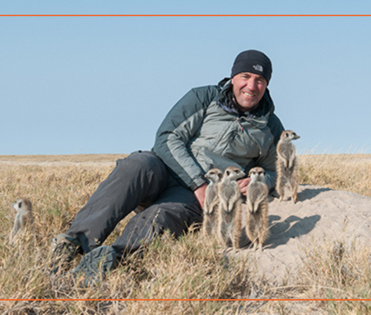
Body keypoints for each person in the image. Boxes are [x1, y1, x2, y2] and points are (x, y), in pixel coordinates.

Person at [49, 49, 285, 287]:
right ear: (233, 77)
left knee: (161, 215)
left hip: (198, 195)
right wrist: (198, 183)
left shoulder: (270, 126)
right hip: (165, 169)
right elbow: (167, 137)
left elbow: (276, 171)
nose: (251, 86)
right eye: (245, 76)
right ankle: (73, 242)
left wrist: (260, 181)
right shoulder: (203, 97)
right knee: (135, 165)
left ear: (266, 85)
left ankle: (110, 259)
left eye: (260, 81)